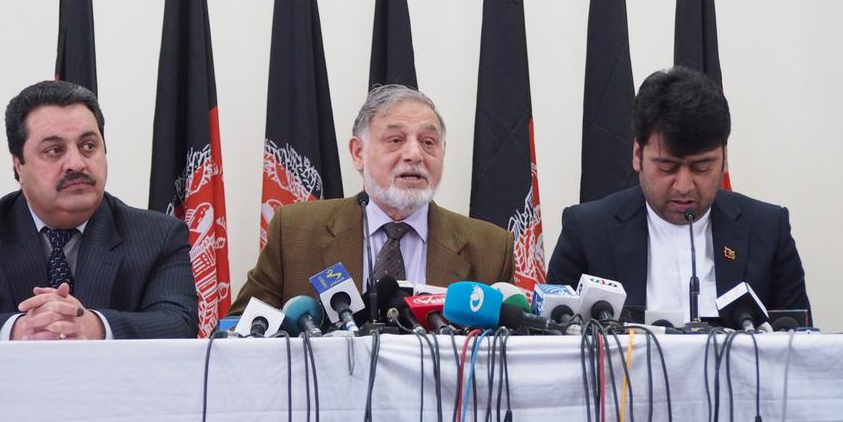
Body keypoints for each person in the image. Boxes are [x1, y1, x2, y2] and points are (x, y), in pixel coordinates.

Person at [0, 81, 198, 340]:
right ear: (18, 166)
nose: (76, 163)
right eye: (54, 150)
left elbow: (179, 323)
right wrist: (19, 329)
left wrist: (95, 326)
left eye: (88, 146)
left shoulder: (159, 235)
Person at [547, 66, 809, 322]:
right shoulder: (587, 231)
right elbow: (551, 344)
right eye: (667, 167)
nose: (684, 185)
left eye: (702, 167)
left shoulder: (768, 229)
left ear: (724, 158)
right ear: (638, 155)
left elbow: (798, 347)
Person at [231, 85, 513, 314]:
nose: (415, 154)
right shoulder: (294, 231)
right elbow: (239, 330)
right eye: (395, 140)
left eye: (428, 142)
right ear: (357, 153)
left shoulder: (490, 248)